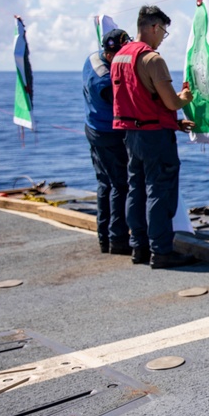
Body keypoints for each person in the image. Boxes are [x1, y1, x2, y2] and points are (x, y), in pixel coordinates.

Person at [111, 5, 196, 269]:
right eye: (164, 32)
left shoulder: (119, 57)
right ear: (154, 27)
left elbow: (138, 99)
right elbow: (170, 102)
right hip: (154, 137)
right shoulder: (152, 60)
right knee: (159, 190)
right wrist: (184, 98)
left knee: (135, 189)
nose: (162, 38)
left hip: (131, 134)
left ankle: (139, 247)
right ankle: (161, 251)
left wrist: (173, 122)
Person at [83, 28, 132, 254]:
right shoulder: (104, 81)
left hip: (92, 127)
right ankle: (118, 240)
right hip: (108, 134)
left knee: (104, 183)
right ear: (110, 54)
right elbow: (123, 103)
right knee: (120, 185)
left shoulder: (92, 58)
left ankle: (104, 238)